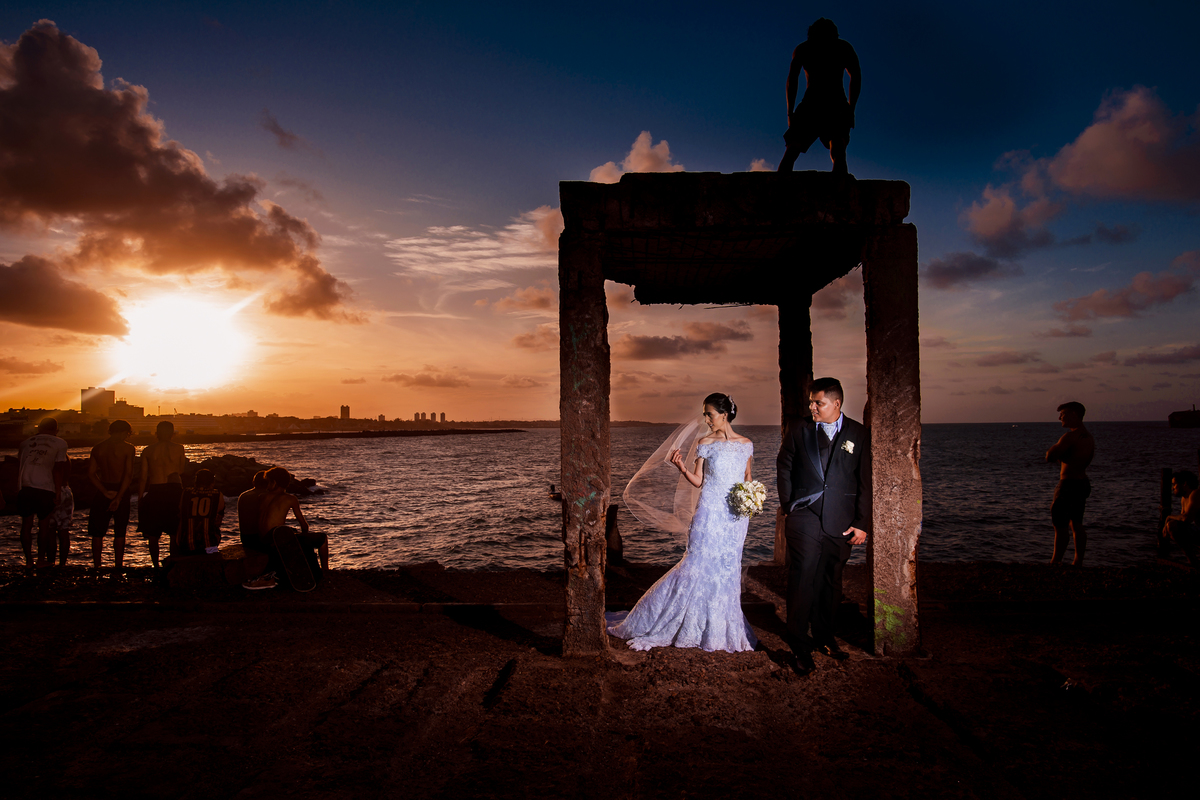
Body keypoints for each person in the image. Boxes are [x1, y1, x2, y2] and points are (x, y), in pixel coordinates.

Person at [607, 393, 758, 653]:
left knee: (727, 570)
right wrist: (681, 467)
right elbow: (699, 481)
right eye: (705, 414)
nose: (706, 419)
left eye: (709, 414)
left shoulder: (746, 444)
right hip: (708, 514)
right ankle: (669, 620)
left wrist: (751, 500)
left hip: (734, 518)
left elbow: (747, 478)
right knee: (694, 565)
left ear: (724, 414)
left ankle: (719, 628)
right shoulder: (705, 443)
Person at [777, 377, 869, 675]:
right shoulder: (798, 428)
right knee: (803, 576)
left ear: (836, 404)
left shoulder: (858, 432)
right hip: (804, 515)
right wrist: (790, 505)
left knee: (831, 580)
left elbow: (864, 481)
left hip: (841, 520)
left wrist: (861, 523)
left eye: (819, 403)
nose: (812, 407)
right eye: (811, 402)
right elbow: (785, 466)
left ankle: (825, 638)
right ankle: (799, 644)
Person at [777, 17, 861, 175]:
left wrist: (790, 112)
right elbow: (856, 76)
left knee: (793, 149)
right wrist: (851, 108)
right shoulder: (842, 47)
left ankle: (779, 191)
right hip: (834, 102)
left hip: (812, 103)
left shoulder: (805, 48)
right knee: (837, 149)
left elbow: (792, 81)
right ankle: (840, 192)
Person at [16, 418, 69, 569]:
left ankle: (28, 561)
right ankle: (40, 560)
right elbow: (58, 468)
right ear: (56, 430)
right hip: (46, 487)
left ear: (39, 428)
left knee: (26, 525)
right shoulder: (60, 443)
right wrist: (58, 491)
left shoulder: (25, 443)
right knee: (43, 526)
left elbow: (21, 465)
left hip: (25, 486)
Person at [1045, 401, 1094, 566]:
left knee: (1060, 524)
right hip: (1082, 482)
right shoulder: (1088, 437)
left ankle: (1055, 561)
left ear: (1074, 414)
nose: (1060, 417)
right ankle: (1078, 561)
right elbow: (1082, 459)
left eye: (1063, 414)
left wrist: (1057, 454)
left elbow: (1050, 456)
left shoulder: (1070, 437)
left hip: (1068, 484)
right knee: (1077, 523)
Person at [259, 466, 328, 582]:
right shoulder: (290, 498)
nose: (266, 485)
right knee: (323, 539)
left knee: (292, 532)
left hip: (263, 539)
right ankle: (326, 571)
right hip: (275, 540)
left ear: (274, 482)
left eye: (267, 482)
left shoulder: (261, 496)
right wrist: (305, 537)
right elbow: (304, 525)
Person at [87, 419, 136, 570]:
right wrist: (118, 497)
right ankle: (118, 566)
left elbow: (91, 473)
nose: (127, 437)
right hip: (121, 489)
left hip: (104, 489)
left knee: (97, 532)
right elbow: (128, 475)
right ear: (123, 432)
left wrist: (104, 491)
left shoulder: (98, 448)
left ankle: (97, 566)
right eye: (127, 434)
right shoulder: (128, 448)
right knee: (120, 530)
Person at [138, 421, 188, 568]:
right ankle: (173, 564)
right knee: (174, 532)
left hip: (155, 490)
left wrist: (140, 497)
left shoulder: (148, 450)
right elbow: (181, 470)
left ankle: (155, 566)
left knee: (153, 535)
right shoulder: (179, 448)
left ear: (156, 433)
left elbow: (143, 477)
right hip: (174, 490)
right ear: (173, 433)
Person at [176, 468, 225, 556]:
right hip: (210, 545)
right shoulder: (217, 494)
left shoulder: (186, 493)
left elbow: (180, 511)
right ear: (212, 482)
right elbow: (219, 515)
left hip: (185, 546)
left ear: (195, 482)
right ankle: (212, 553)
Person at [1163, 470, 1199, 568]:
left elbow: (1186, 518)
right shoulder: (1184, 498)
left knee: (1172, 525)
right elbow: (1183, 520)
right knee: (1173, 526)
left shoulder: (1196, 494)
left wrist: (1168, 518)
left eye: (1174, 484)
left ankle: (1194, 563)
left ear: (1184, 484)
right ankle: (1193, 563)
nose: (1172, 488)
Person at [49, 481, 75, 567]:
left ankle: (51, 562)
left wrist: (58, 492)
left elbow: (57, 471)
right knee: (63, 529)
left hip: (55, 490)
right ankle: (62, 564)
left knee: (51, 529)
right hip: (65, 490)